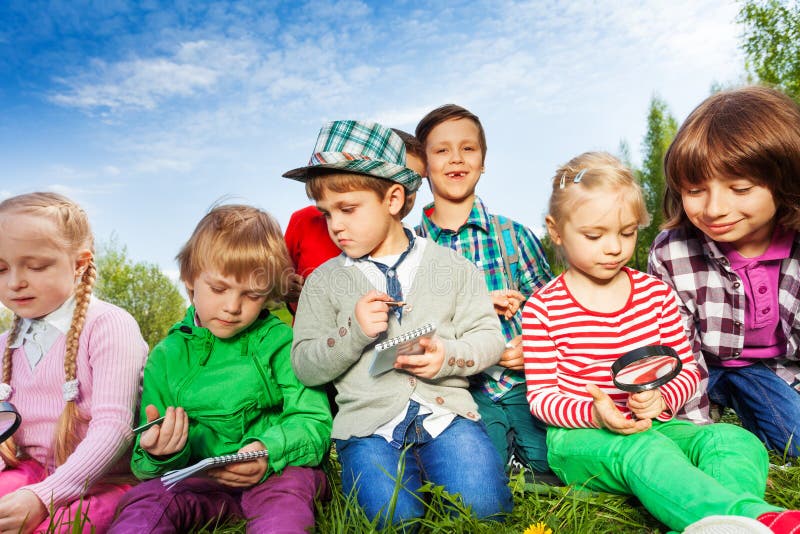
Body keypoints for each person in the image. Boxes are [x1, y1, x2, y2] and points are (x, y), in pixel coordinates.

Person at [523, 151, 800, 533]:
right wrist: (595, 413)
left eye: (627, 232)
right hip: (580, 439)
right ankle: (756, 518)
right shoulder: (543, 307)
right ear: (556, 230)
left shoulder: (656, 294)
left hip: (656, 426)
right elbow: (541, 398)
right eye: (594, 235)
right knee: (646, 451)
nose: (614, 248)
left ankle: (721, 523)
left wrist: (664, 398)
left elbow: (686, 370)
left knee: (733, 439)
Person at [286, 120, 512, 528]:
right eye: (327, 214)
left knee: (484, 510)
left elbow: (488, 338)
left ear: (392, 199)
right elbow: (304, 364)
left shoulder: (452, 267)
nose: (335, 225)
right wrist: (352, 334)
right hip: (367, 429)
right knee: (393, 521)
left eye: (348, 209)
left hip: (447, 416)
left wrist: (447, 356)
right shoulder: (324, 281)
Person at [109, 204, 332, 534]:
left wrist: (267, 451)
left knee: (284, 514)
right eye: (218, 289)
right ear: (189, 280)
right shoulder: (166, 357)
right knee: (146, 503)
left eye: (251, 295)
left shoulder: (282, 342)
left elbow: (313, 420)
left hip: (277, 474)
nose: (232, 307)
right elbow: (144, 464)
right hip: (199, 481)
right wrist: (159, 452)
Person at [649, 86, 800, 457]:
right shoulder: (671, 252)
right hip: (695, 365)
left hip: (767, 370)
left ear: (785, 182)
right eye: (696, 190)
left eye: (740, 187)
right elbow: (675, 348)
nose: (715, 208)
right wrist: (696, 428)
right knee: (677, 437)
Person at [414, 104, 554, 477]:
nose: (456, 158)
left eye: (468, 148)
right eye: (441, 150)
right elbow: (408, 325)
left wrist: (533, 347)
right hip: (459, 391)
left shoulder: (515, 237)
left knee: (552, 466)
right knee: (478, 474)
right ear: (423, 165)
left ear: (483, 160)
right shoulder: (414, 248)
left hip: (523, 383)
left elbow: (553, 310)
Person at [0, 192, 147, 533]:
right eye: (1, 268)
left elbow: (115, 426)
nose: (15, 282)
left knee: (56, 528)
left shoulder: (109, 325)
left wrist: (43, 498)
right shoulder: (7, 343)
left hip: (103, 481)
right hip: (33, 471)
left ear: (80, 264)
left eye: (35, 266)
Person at [284, 128, 426, 312]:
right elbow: (275, 274)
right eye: (396, 176)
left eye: (415, 184)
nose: (407, 192)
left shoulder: (418, 249)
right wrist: (282, 286)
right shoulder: (305, 221)